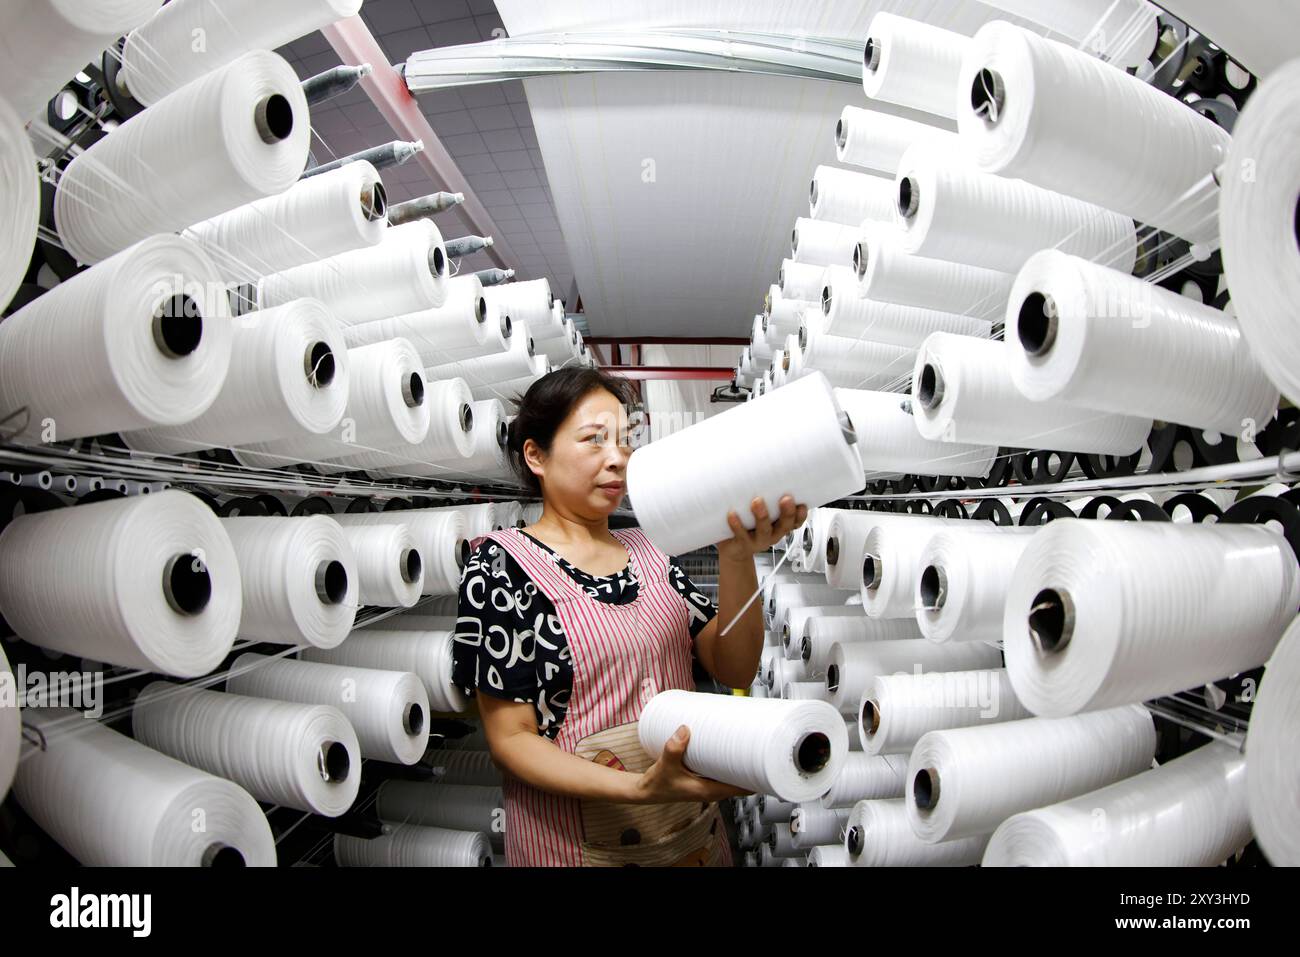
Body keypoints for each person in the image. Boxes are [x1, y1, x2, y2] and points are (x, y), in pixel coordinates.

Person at [451, 366, 807, 866]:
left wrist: (737, 556)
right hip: (574, 847)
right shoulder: (500, 565)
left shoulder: (652, 551)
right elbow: (511, 741)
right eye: (594, 441)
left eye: (625, 440)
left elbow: (735, 668)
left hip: (690, 838)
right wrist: (638, 787)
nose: (618, 458)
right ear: (536, 455)